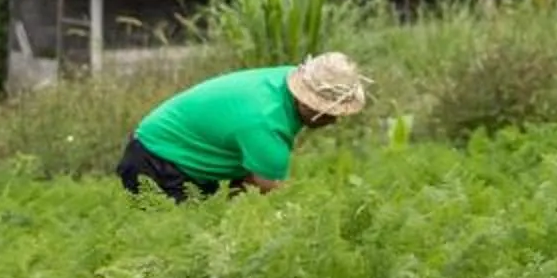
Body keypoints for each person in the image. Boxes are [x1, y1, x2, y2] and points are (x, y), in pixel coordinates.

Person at [116, 52, 369, 201]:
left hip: (181, 155)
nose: (334, 120)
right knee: (176, 252)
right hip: (155, 164)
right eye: (327, 112)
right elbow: (263, 198)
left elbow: (245, 187)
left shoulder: (285, 78)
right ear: (305, 102)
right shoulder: (266, 123)